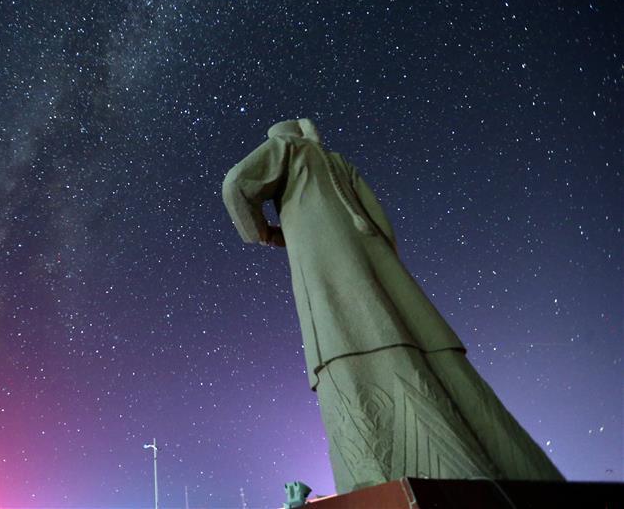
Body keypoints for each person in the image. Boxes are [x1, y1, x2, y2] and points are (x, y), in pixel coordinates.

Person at [222, 118, 563, 493]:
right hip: (382, 281)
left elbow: (236, 185)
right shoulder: (337, 162)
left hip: (329, 286)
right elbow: (381, 223)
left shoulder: (286, 150)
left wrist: (267, 234)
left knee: (342, 344)